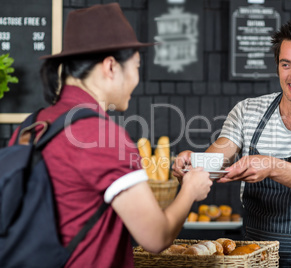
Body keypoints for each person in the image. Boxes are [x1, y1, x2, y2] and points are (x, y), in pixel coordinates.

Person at [9, 3, 212, 268]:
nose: (137, 79)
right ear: (111, 67)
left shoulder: (32, 126)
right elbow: (156, 237)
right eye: (137, 66)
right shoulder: (102, 137)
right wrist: (190, 190)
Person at [173, 17, 291, 267]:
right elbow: (217, 160)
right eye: (286, 64)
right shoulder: (248, 110)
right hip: (251, 258)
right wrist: (193, 164)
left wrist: (272, 166)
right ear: (277, 66)